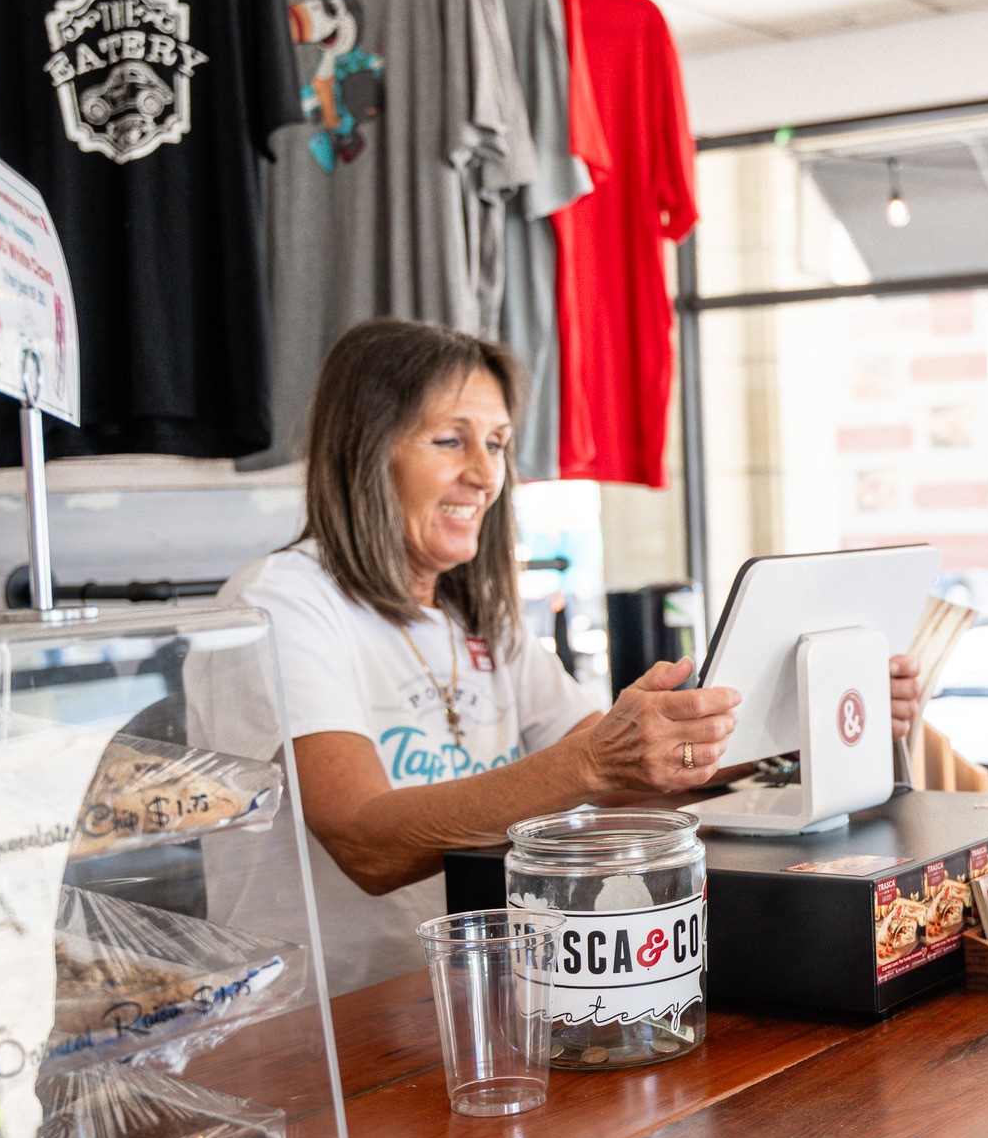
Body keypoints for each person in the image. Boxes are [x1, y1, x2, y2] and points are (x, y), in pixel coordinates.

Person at [214, 318, 918, 994]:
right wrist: (596, 761)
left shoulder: (476, 616)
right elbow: (367, 845)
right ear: (363, 450)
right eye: (450, 440)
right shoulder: (281, 600)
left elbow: (620, 776)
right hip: (333, 1026)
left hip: (476, 998)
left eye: (497, 444)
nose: (484, 475)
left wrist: (795, 724)